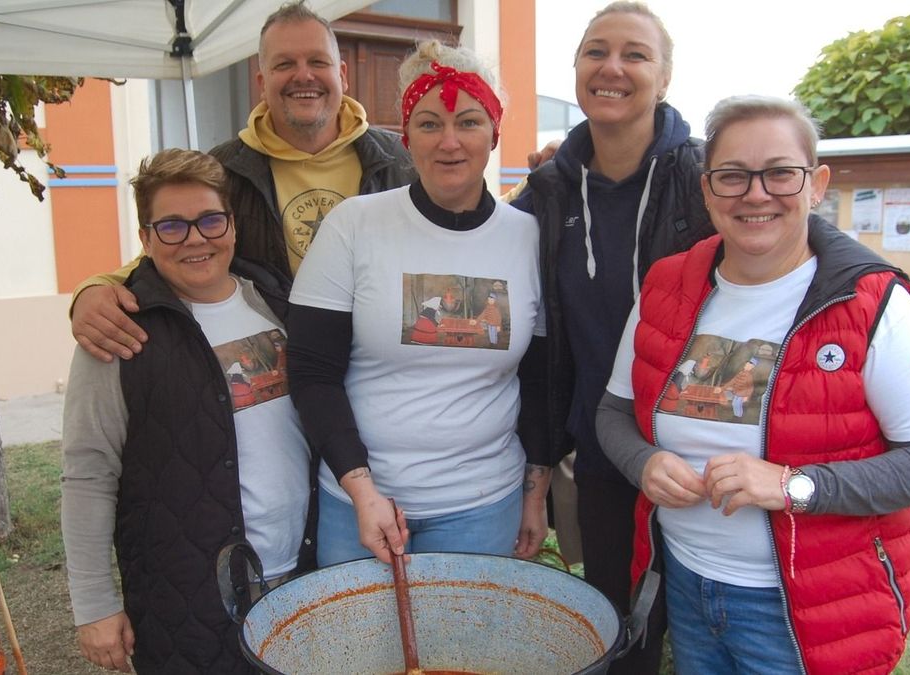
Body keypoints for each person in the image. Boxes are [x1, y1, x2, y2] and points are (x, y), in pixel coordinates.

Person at [509, 3, 910, 671]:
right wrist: (629, 459)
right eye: (596, 50)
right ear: (713, 187)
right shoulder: (555, 194)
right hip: (638, 496)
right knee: (624, 644)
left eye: (636, 53)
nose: (755, 191)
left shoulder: (711, 178)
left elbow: (847, 288)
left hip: (797, 590)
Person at [597, 95, 910, 674]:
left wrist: (793, 487)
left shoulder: (870, 303)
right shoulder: (667, 284)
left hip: (810, 610)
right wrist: (642, 462)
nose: (755, 194)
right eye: (733, 176)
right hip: (689, 587)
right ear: (706, 189)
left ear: (816, 184)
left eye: (779, 173)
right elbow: (612, 414)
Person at [286, 40, 552, 567]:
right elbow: (312, 372)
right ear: (407, 136)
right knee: (362, 650)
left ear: (494, 133)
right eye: (430, 124)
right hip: (362, 503)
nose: (449, 142)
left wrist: (535, 491)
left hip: (484, 507)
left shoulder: (528, 237)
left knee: (466, 651)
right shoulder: (353, 225)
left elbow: (543, 380)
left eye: (469, 122)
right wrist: (362, 490)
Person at [60, 149, 315, 674]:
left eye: (209, 220)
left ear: (232, 226)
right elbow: (88, 474)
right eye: (172, 226)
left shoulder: (277, 301)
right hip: (189, 595)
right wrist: (95, 606)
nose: (196, 239)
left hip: (304, 570)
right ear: (146, 238)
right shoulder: (119, 332)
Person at [69, 0, 415, 363]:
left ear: (342, 74)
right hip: (286, 371)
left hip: (383, 368)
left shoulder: (402, 160)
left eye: (317, 61)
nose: (303, 75)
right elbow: (171, 247)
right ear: (263, 82)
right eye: (284, 64)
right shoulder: (224, 169)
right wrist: (95, 289)